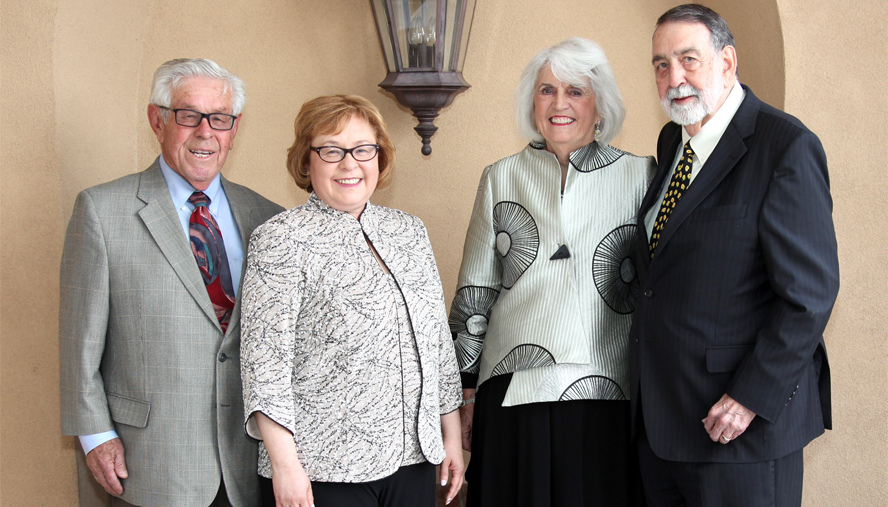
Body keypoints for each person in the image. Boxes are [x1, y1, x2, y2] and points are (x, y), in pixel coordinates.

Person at [629, 5, 840, 507]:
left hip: (736, 430)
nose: (674, 77)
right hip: (662, 426)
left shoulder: (785, 147)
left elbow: (808, 298)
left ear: (727, 61)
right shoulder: (671, 141)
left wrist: (749, 397)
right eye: (661, 64)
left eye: (688, 59)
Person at [59, 58, 284, 507]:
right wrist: (95, 436)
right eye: (188, 115)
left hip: (250, 466)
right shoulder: (102, 212)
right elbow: (78, 343)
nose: (205, 132)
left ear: (234, 129)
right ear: (156, 120)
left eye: (219, 118)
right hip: (147, 465)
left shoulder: (268, 218)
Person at [450, 37, 655, 506]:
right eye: (546, 90)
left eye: (576, 91)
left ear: (600, 104)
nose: (559, 104)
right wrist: (464, 394)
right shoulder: (499, 176)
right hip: (511, 390)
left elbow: (658, 287)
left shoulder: (643, 176)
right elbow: (474, 293)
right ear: (531, 102)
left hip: (609, 389)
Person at [239, 94, 464, 507]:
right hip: (322, 471)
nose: (349, 163)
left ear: (379, 157)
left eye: (363, 149)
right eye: (331, 150)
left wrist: (450, 435)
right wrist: (285, 466)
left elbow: (436, 344)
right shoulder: (280, 240)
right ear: (307, 161)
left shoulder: (409, 232)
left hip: (413, 460)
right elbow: (264, 366)